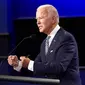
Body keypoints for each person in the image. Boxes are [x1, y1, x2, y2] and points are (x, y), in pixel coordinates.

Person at [8, 4, 82, 85]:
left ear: (53, 19)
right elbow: (38, 67)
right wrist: (18, 64)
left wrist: (29, 63)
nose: (38, 22)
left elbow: (59, 67)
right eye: (36, 19)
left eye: (41, 18)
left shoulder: (66, 38)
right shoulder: (45, 43)